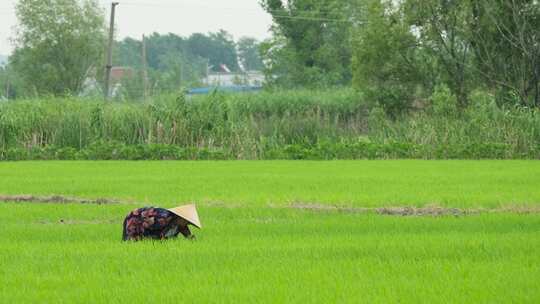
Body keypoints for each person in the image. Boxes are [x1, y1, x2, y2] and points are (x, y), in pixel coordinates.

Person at [122, 204, 201, 241]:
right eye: (186, 221)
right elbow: (147, 230)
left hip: (147, 223)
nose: (187, 224)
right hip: (134, 221)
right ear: (180, 217)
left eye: (188, 223)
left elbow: (188, 235)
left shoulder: (179, 223)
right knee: (132, 243)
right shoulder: (163, 218)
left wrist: (191, 239)